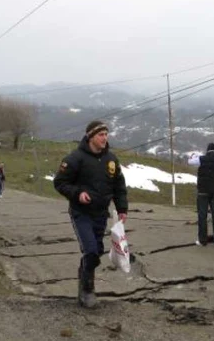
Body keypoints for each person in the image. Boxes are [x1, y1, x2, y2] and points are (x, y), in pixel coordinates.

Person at [54, 120, 128, 308]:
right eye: (101, 135)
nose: (105, 138)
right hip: (81, 213)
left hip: (100, 213)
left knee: (97, 252)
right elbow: (60, 183)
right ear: (90, 137)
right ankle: (87, 290)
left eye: (106, 134)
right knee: (91, 250)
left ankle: (84, 278)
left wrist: (122, 209)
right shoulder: (75, 158)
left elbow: (119, 185)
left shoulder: (111, 160)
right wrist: (78, 194)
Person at [188, 143, 214, 247]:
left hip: (202, 191)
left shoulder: (201, 159)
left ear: (207, 150)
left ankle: (202, 240)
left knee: (202, 216)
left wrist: (192, 156)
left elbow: (190, 162)